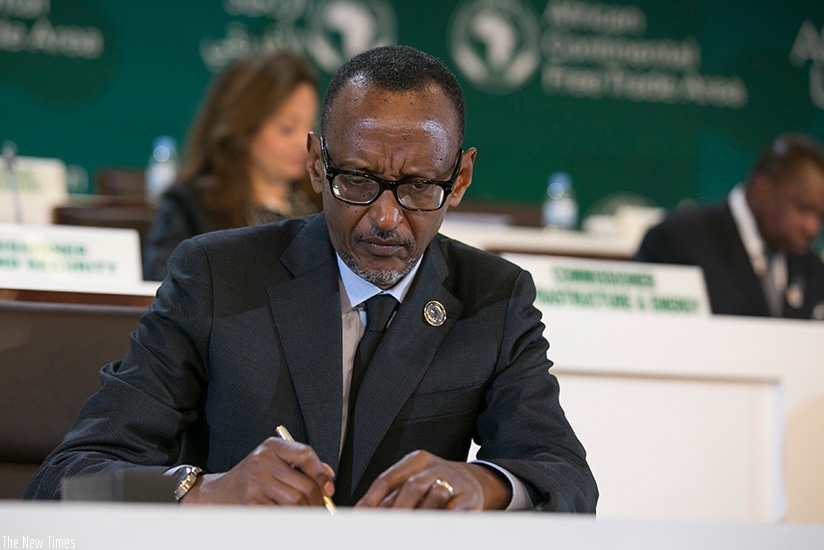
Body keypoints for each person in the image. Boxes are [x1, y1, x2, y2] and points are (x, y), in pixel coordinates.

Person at [25, 45, 598, 512]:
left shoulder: (493, 298)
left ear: (462, 176)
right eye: (357, 179)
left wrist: (485, 485)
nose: (385, 217)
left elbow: (567, 479)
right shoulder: (216, 275)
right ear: (316, 163)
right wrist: (205, 491)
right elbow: (65, 482)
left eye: (421, 187)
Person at [142, 51, 321, 281]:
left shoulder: (325, 204)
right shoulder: (191, 207)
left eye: (311, 126)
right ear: (243, 130)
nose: (304, 143)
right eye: (287, 128)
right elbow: (165, 286)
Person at [636, 133, 824, 319]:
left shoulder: (812, 267)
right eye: (803, 209)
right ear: (762, 190)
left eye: (821, 216)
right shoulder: (675, 242)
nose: (812, 228)